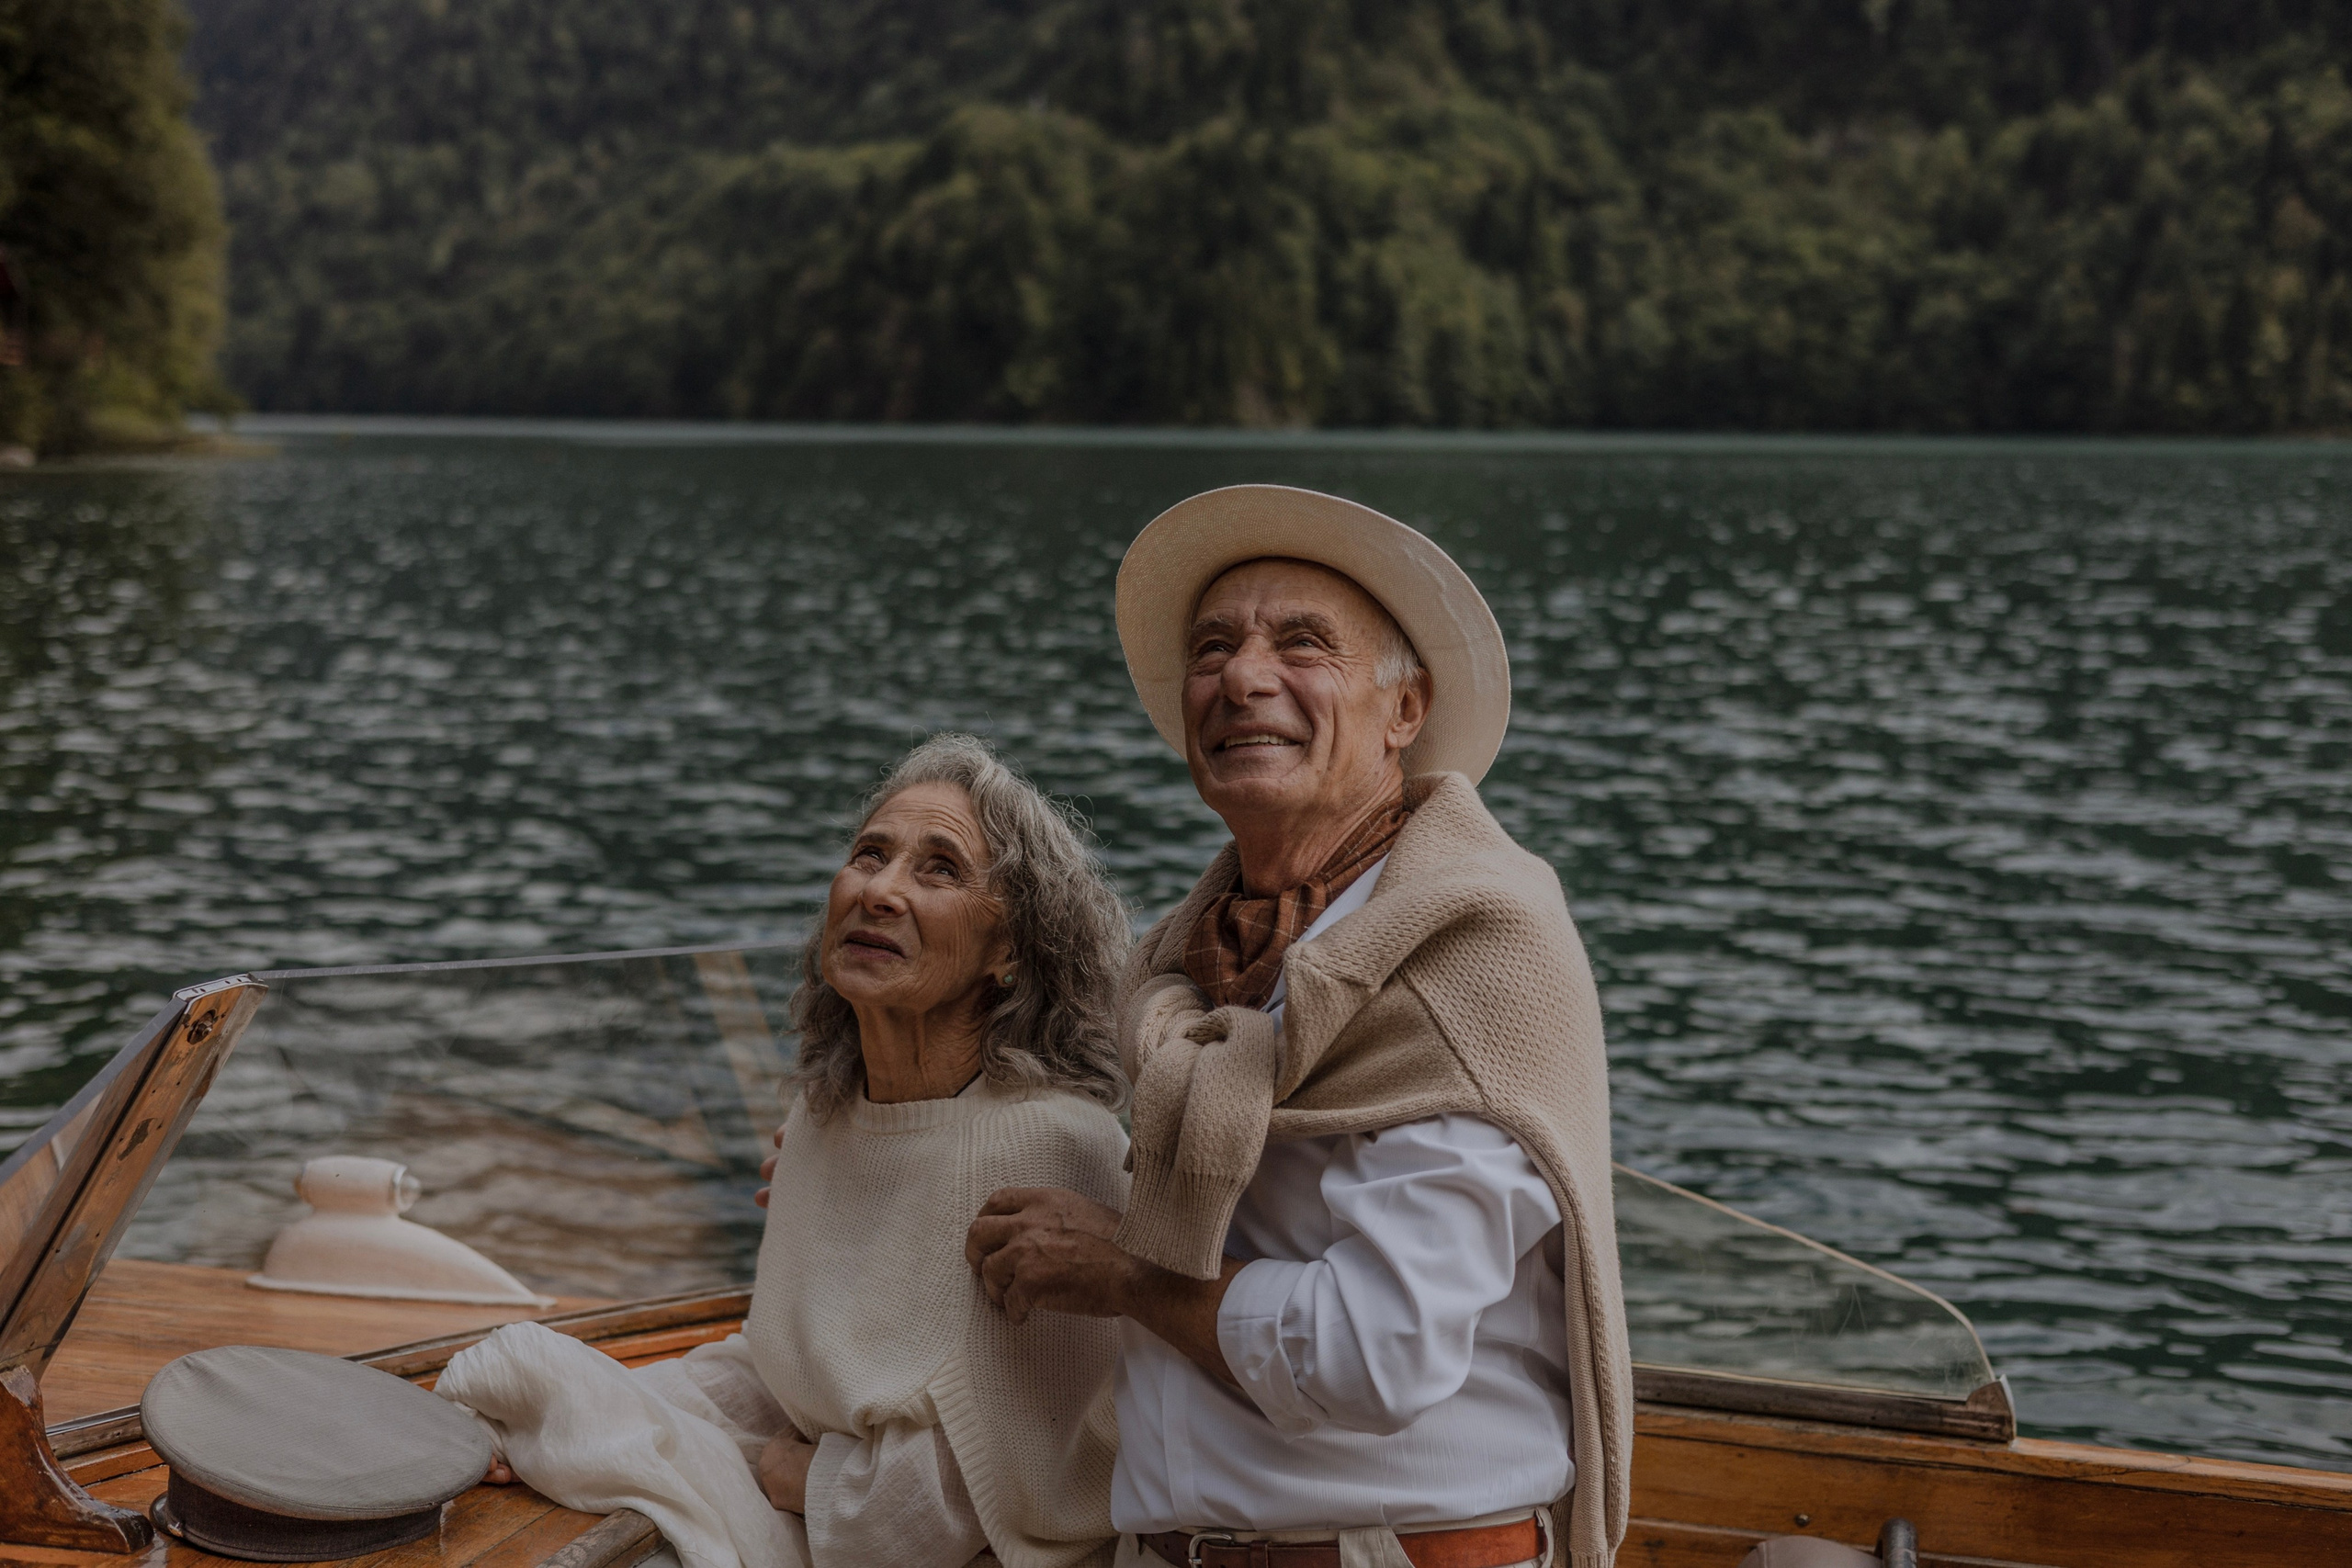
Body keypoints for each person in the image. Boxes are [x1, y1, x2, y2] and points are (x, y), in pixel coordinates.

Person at [967, 486, 1632, 1568]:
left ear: (1403, 713)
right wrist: (855, 1154)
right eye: (1212, 647)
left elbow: (1378, 1355)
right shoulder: (1188, 960)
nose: (1243, 677)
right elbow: (1074, 1129)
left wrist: (1127, 1277)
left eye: (1303, 644)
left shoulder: (1471, 953)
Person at [446, 734, 1132, 1568]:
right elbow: (783, 1366)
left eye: (939, 868)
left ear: (1011, 951)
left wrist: (790, 1469)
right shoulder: (827, 1117)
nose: (879, 889)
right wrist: (554, 1416)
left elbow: (967, 1501)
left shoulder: (1057, 1147)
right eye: (868, 854)